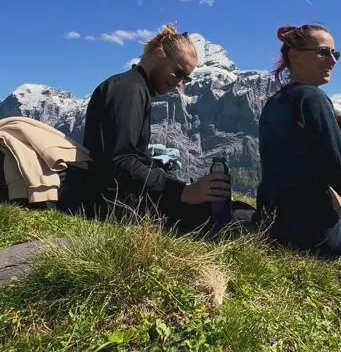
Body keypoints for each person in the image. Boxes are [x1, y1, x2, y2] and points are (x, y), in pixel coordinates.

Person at [59, 25, 230, 228]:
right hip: (109, 204)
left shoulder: (135, 88)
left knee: (222, 210)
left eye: (186, 78)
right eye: (179, 72)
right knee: (223, 215)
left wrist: (180, 186)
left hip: (113, 198)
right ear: (159, 55)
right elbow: (122, 161)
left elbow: (133, 158)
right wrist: (181, 192)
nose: (180, 84)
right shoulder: (129, 90)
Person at [256, 23, 341, 257]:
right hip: (315, 240)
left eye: (336, 54)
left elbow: (300, 141)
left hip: (273, 228)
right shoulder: (314, 98)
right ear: (295, 56)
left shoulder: (277, 101)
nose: (333, 60)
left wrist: (338, 120)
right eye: (323, 52)